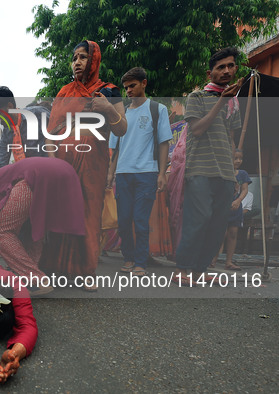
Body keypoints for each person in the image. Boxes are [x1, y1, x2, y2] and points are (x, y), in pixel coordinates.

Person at [42, 40, 127, 286]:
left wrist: (108, 109)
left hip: (93, 164)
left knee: (89, 214)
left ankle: (86, 272)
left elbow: (121, 129)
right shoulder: (64, 92)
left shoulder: (109, 91)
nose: (77, 62)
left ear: (94, 60)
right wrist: (51, 160)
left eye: (83, 57)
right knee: (61, 211)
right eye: (74, 58)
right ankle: (57, 267)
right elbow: (50, 132)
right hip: (63, 161)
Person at [173, 47, 243, 285]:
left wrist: (233, 173)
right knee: (199, 218)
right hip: (200, 169)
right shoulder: (196, 98)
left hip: (224, 171)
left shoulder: (234, 103)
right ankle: (183, 269)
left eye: (230, 66)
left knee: (218, 222)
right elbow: (197, 129)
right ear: (209, 72)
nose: (226, 71)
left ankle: (200, 270)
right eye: (220, 67)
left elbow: (231, 139)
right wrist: (220, 102)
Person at [0, 157, 87, 295]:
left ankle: (37, 279)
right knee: (34, 227)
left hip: (38, 177)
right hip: (66, 172)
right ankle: (28, 274)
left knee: (0, 231)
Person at [106, 67, 173, 276]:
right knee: (124, 219)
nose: (128, 91)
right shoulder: (121, 114)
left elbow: (164, 143)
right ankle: (128, 257)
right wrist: (110, 174)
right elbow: (114, 148)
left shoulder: (157, 109)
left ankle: (141, 262)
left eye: (132, 86)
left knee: (141, 220)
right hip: (123, 174)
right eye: (126, 88)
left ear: (144, 83)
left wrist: (162, 173)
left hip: (147, 172)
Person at [0, 86, 49, 170]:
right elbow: (1, 164)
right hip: (30, 174)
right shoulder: (6, 134)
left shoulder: (38, 114)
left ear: (10, 106)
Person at [210, 149, 251, 270]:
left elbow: (244, 190)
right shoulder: (221, 172)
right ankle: (213, 259)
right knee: (219, 234)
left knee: (233, 234)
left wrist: (238, 201)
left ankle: (228, 261)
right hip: (222, 208)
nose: (238, 161)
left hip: (235, 208)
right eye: (235, 158)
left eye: (240, 158)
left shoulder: (242, 174)